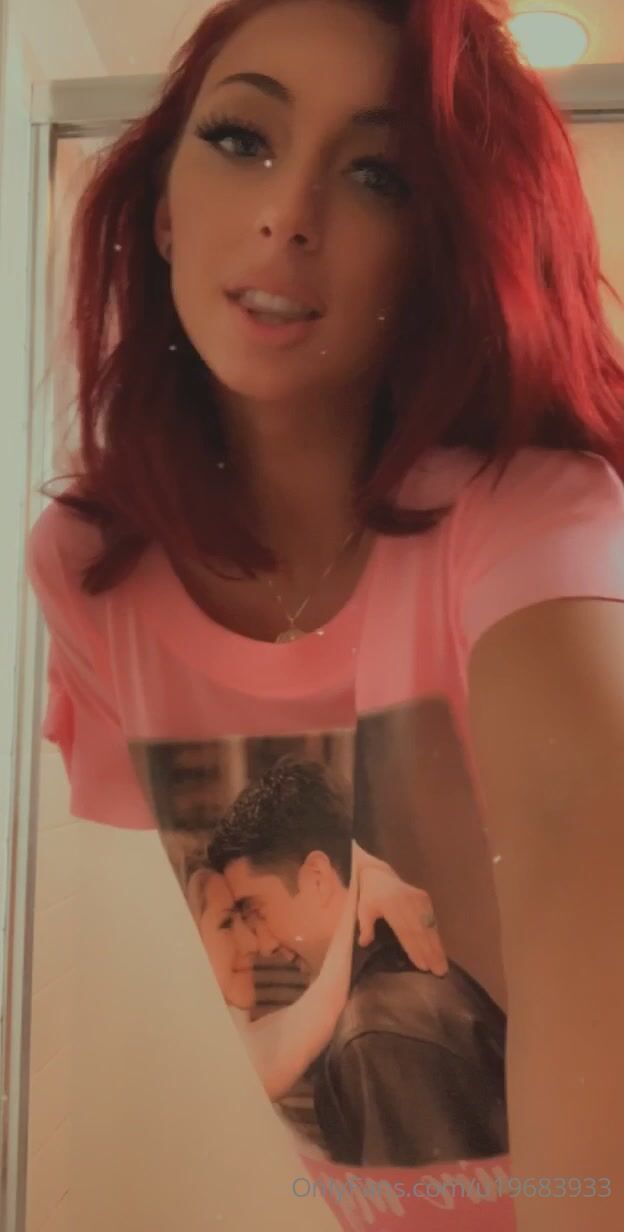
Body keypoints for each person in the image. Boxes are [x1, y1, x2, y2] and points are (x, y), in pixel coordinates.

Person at [26, 0, 624, 1227]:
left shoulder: (529, 519)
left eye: (376, 174)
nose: (288, 212)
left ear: (439, 247)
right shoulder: (93, 575)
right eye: (242, 139)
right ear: (163, 205)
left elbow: (580, 835)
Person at [208, 755, 509, 1167]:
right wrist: (367, 872)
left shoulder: (374, 1031)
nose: (260, 944)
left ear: (317, 878)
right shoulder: (384, 1000)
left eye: (256, 910)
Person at [185, 838, 449, 1101]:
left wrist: (368, 872)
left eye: (245, 918)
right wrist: (369, 873)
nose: (253, 943)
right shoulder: (223, 1066)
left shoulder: (232, 1045)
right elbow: (325, 1000)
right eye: (225, 924)